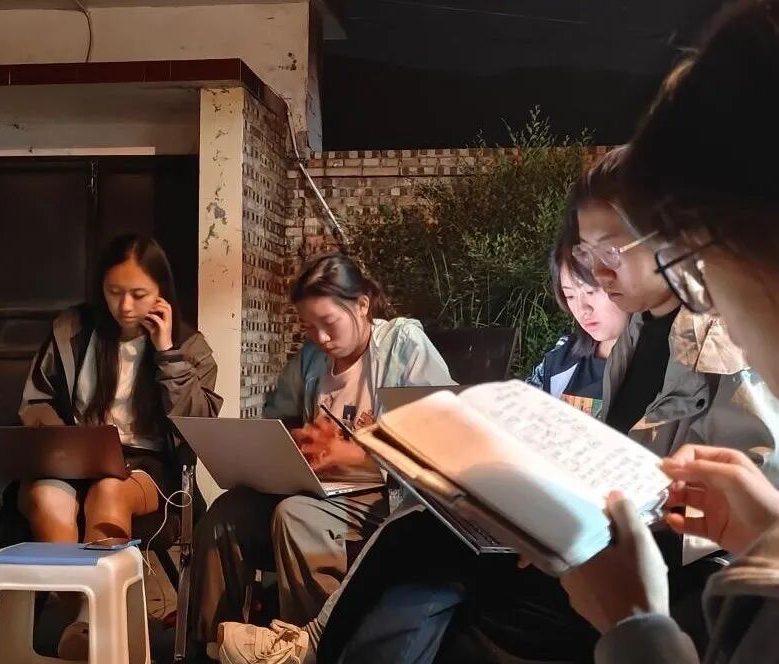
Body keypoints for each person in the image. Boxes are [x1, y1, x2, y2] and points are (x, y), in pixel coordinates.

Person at [291, 148, 776, 664]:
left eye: (611, 251)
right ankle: (315, 645)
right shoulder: (637, 329)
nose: (599, 274)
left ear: (669, 234)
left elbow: (734, 520)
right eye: (586, 255)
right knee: (420, 531)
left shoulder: (721, 334)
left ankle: (312, 648)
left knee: (427, 555)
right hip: (606, 534)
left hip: (657, 566)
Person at [562, 1, 779, 661]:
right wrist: (769, 536)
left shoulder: (708, 339)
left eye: (697, 265)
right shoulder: (632, 334)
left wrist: (637, 631)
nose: (711, 307)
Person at [192, 252, 454, 657]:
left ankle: (312, 649)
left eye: (328, 323)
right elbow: (277, 421)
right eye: (309, 327)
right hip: (319, 491)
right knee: (226, 515)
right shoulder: (313, 360)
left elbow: (437, 437)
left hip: (385, 501)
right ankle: (213, 648)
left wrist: (353, 453)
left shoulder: (402, 345)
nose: (321, 337)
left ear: (362, 305)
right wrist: (296, 441)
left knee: (295, 517)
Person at [18, 234, 222, 659]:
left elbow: (199, 426)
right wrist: (62, 443)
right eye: (114, 292)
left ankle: (87, 630)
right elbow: (36, 402)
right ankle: (89, 623)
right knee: (45, 496)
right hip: (75, 454)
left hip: (149, 470)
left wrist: (167, 354)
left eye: (138, 294)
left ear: (162, 292)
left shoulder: (190, 346)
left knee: (108, 490)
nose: (125, 306)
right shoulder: (73, 330)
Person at [527, 206, 629, 417]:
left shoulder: (667, 368)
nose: (582, 309)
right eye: (570, 295)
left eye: (590, 291)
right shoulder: (559, 361)